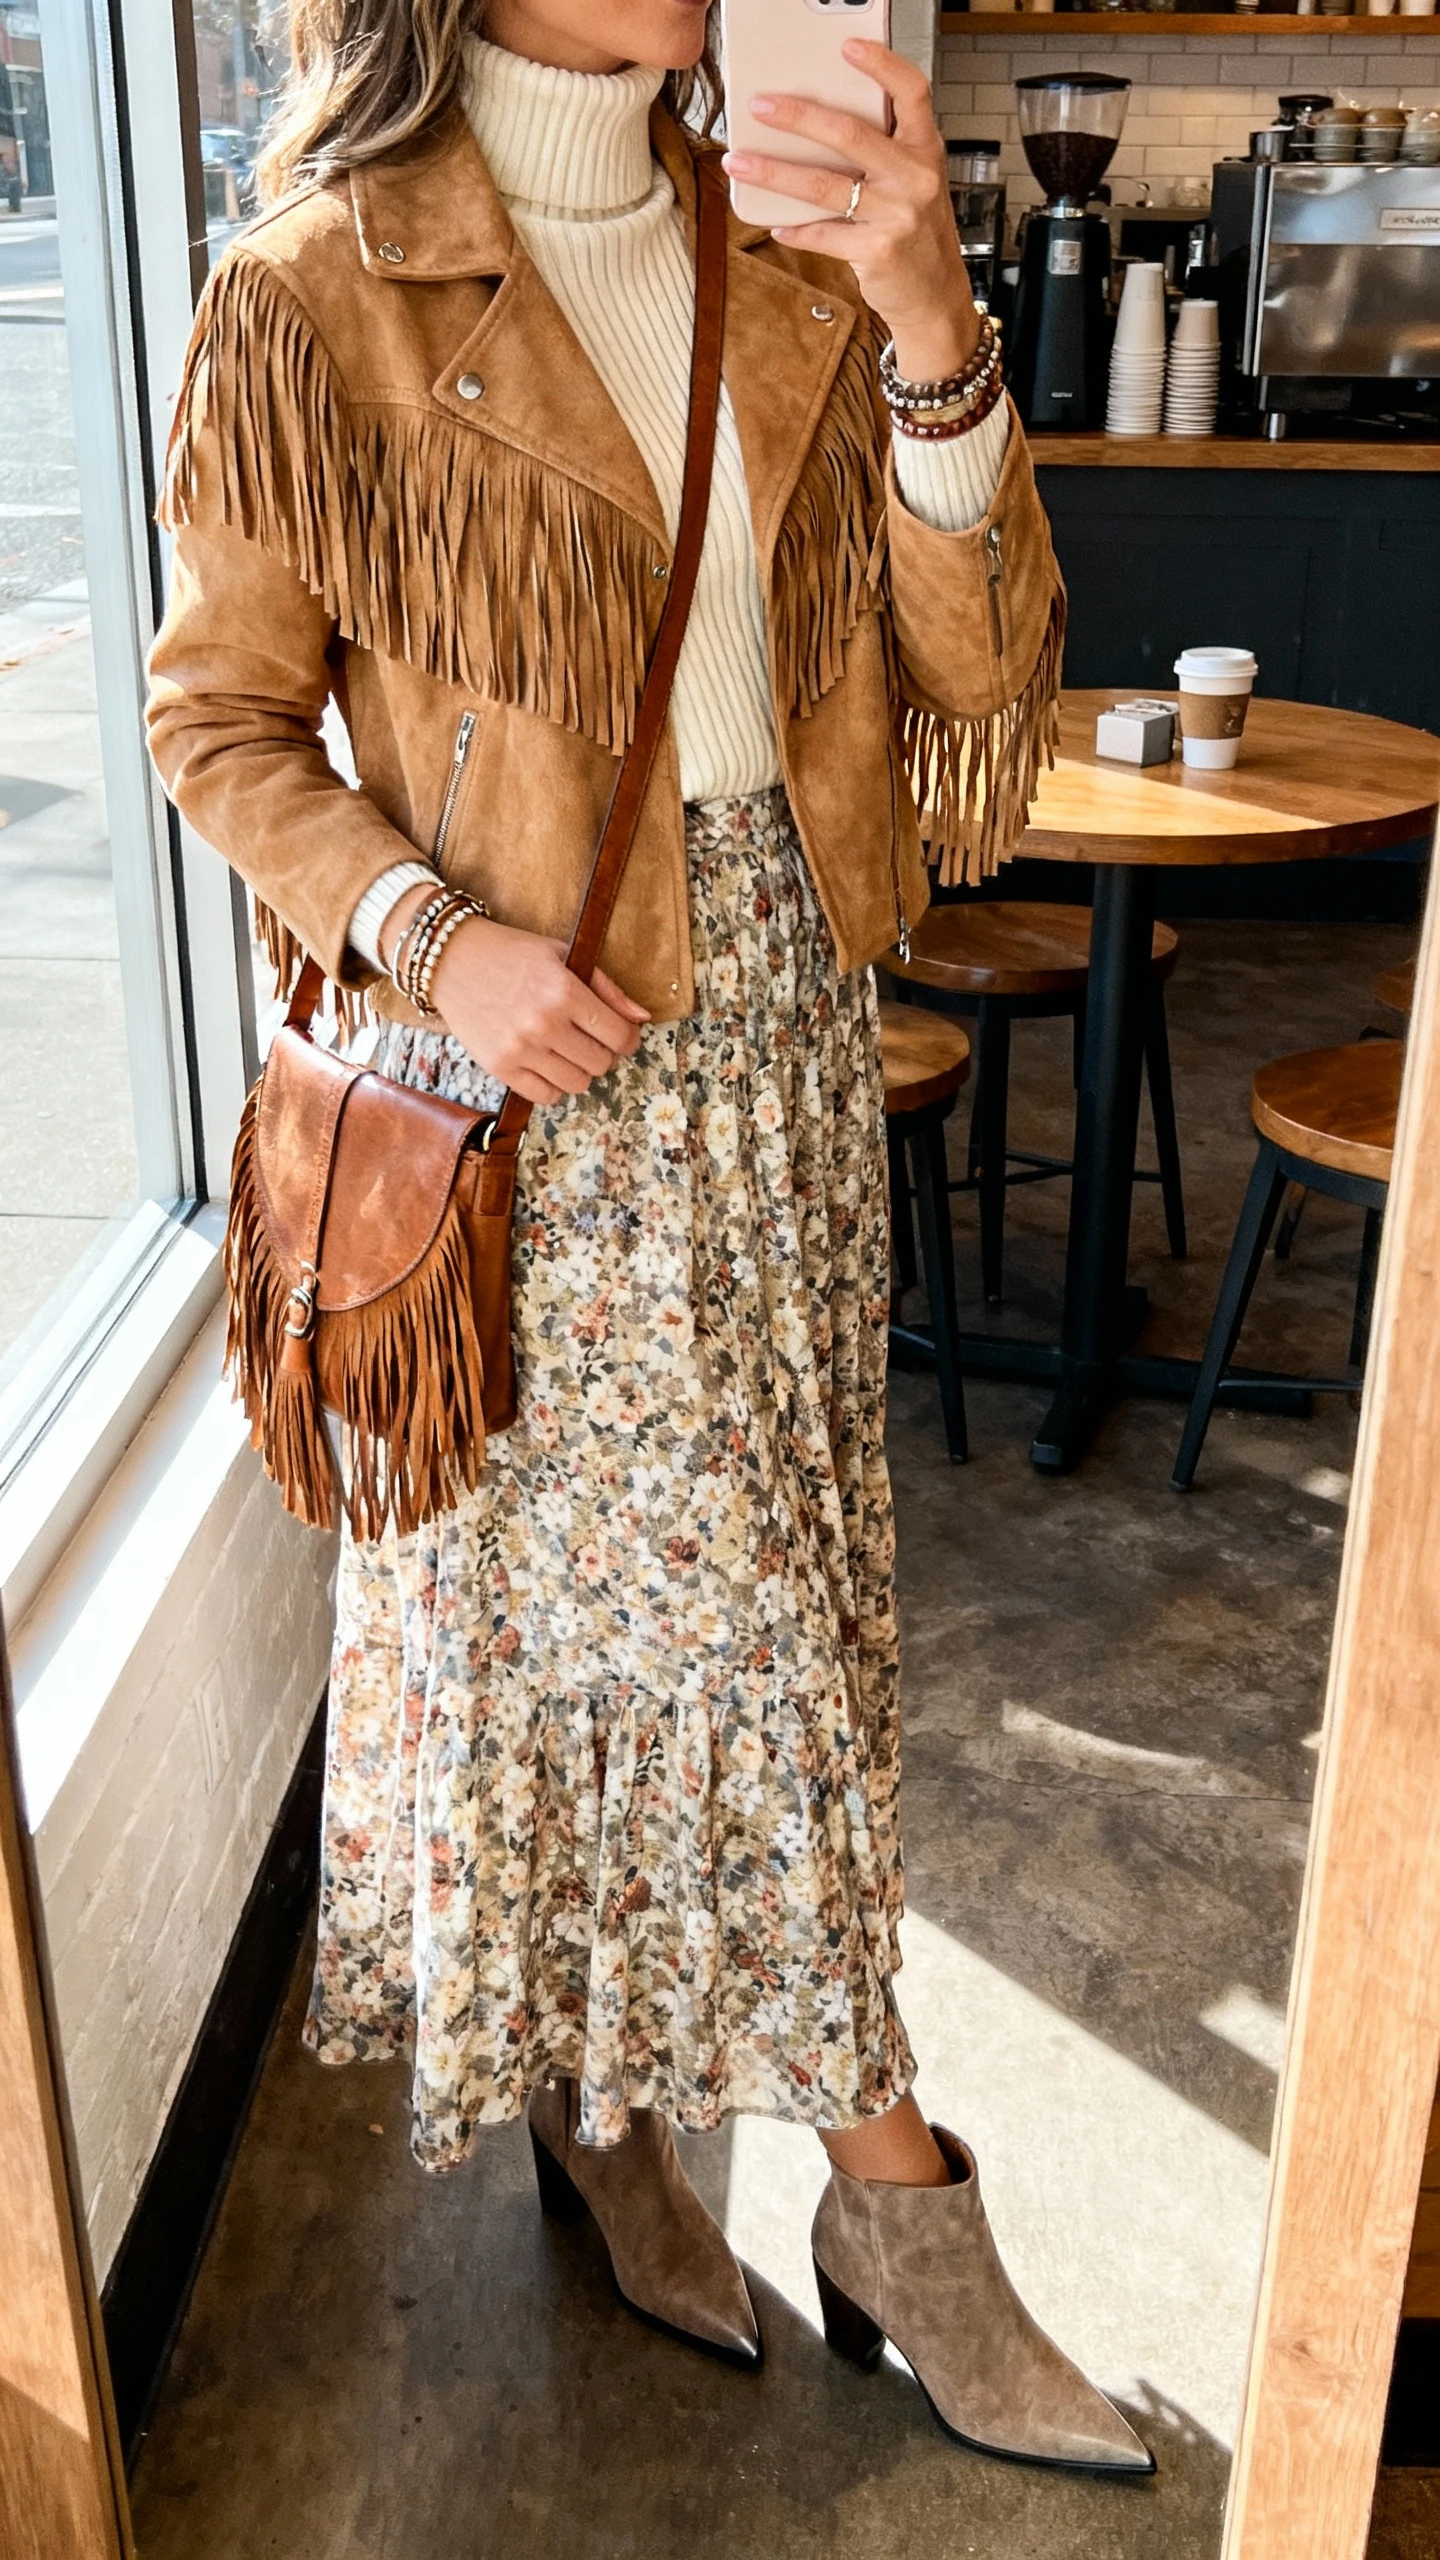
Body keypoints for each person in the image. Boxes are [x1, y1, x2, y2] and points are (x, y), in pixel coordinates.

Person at [146, 0, 1148, 2475]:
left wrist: (934, 327)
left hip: (780, 1046)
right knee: (702, 1656)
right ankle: (888, 2187)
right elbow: (219, 719)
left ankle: (625, 2112)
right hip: (534, 1081)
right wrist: (422, 929)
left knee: (779, 1611)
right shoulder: (315, 288)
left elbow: (978, 677)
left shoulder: (785, 246)